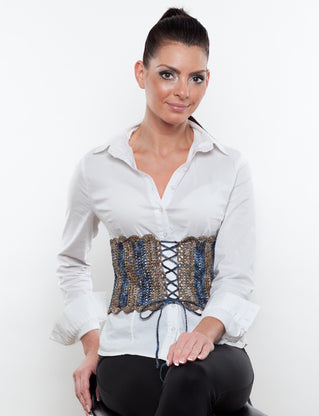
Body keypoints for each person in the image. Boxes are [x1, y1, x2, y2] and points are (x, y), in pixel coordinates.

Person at [50, 7, 261, 416]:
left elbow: (237, 275)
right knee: (176, 390)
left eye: (195, 78)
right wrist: (92, 342)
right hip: (128, 352)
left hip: (216, 352)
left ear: (207, 80)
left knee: (190, 376)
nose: (183, 91)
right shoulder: (97, 167)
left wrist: (203, 333)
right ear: (140, 73)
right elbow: (71, 261)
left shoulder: (230, 166)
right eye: (168, 74)